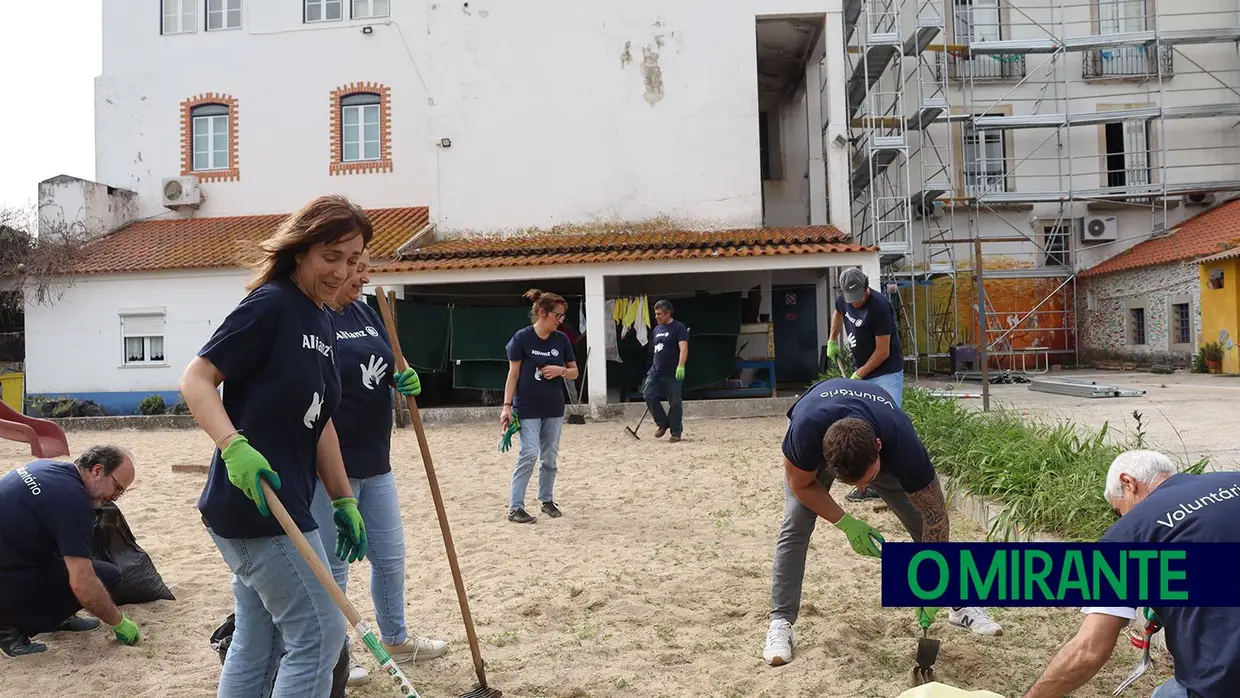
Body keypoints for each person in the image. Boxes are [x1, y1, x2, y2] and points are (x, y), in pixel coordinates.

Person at [180, 194, 372, 698]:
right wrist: (232, 446)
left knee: (260, 638)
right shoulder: (272, 305)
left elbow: (320, 420)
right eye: (331, 257)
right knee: (318, 632)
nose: (342, 272)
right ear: (300, 251)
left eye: (352, 260)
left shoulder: (322, 318)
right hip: (255, 506)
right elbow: (197, 378)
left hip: (288, 504)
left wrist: (343, 498)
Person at [762, 377, 1002, 667]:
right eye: (854, 485)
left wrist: (931, 586)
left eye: (867, 481)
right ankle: (781, 622)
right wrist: (846, 522)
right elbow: (800, 484)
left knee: (920, 521)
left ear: (879, 448)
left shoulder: (903, 445)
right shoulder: (805, 433)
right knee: (796, 523)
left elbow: (935, 515)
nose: (862, 491)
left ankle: (959, 603)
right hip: (822, 429)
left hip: (879, 436)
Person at [311, 248, 449, 686]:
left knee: (389, 558)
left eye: (367, 268)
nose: (362, 276)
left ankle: (395, 639)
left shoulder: (371, 312)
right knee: (335, 567)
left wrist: (403, 375)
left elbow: (393, 362)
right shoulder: (315, 317)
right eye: (356, 268)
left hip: (378, 460)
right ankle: (337, 657)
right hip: (332, 467)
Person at [1022, 450, 1240, 698]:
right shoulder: (1233, 481)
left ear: (1128, 483)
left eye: (1118, 510)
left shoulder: (1128, 535)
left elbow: (1088, 650)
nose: (1122, 517)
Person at [0, 446, 141, 657]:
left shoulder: (47, 467)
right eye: (117, 488)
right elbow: (82, 583)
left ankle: (55, 618)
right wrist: (118, 621)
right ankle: (8, 630)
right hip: (7, 576)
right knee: (106, 576)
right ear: (97, 470)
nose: (115, 498)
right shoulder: (73, 503)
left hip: (13, 555)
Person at [827, 267, 905, 503]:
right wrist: (832, 340)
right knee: (863, 426)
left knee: (889, 425)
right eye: (852, 299)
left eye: (859, 297)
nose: (856, 302)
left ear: (866, 287)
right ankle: (870, 484)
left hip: (886, 373)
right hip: (862, 372)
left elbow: (883, 352)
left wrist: (859, 375)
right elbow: (839, 311)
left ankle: (896, 485)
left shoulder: (880, 307)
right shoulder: (845, 299)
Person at [501, 288, 578, 524]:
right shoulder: (522, 338)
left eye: (563, 316)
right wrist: (506, 406)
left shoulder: (561, 340)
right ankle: (515, 507)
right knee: (529, 453)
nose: (560, 321)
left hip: (554, 408)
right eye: (558, 316)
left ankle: (546, 500)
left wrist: (561, 371)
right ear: (542, 313)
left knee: (550, 457)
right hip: (527, 408)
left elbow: (574, 372)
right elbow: (513, 374)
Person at [642, 299, 689, 442]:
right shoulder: (656, 330)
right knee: (648, 395)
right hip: (655, 371)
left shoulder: (678, 328)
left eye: (659, 314)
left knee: (674, 402)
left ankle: (676, 432)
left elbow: (684, 348)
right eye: (655, 314)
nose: (656, 317)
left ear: (668, 313)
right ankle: (662, 423)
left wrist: (681, 365)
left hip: (672, 373)